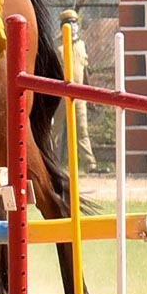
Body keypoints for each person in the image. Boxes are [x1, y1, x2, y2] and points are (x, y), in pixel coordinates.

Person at [59, 9, 98, 173]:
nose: (73, 26)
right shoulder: (58, 46)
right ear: (62, 26)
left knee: (82, 130)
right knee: (54, 133)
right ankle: (52, 163)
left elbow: (85, 71)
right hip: (60, 95)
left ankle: (90, 165)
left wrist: (89, 95)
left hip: (80, 94)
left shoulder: (81, 45)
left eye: (75, 23)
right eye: (69, 23)